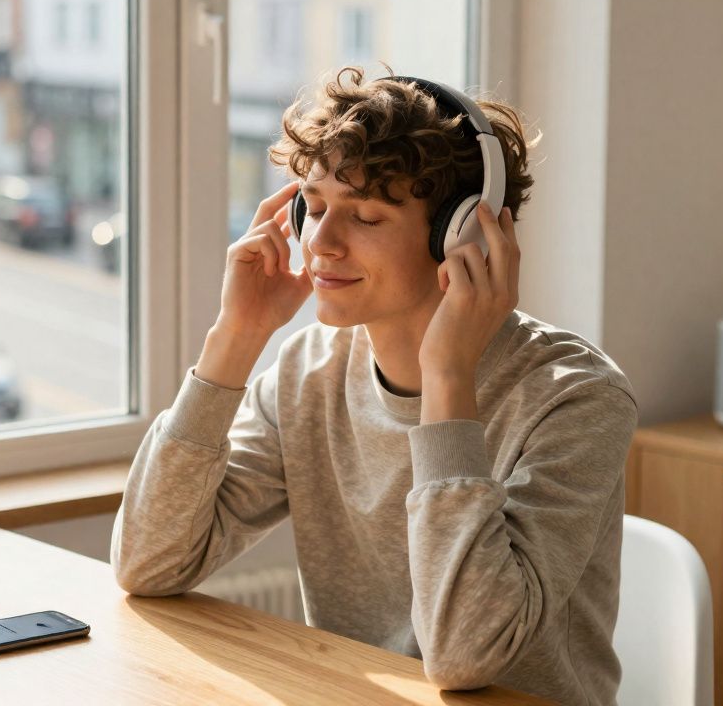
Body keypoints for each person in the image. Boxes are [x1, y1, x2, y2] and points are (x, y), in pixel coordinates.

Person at [110, 67, 639, 706]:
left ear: (461, 233)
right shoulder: (309, 371)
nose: (320, 243)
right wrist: (235, 337)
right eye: (314, 207)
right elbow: (149, 563)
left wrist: (447, 377)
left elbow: (464, 656)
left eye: (364, 217)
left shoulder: (574, 398)